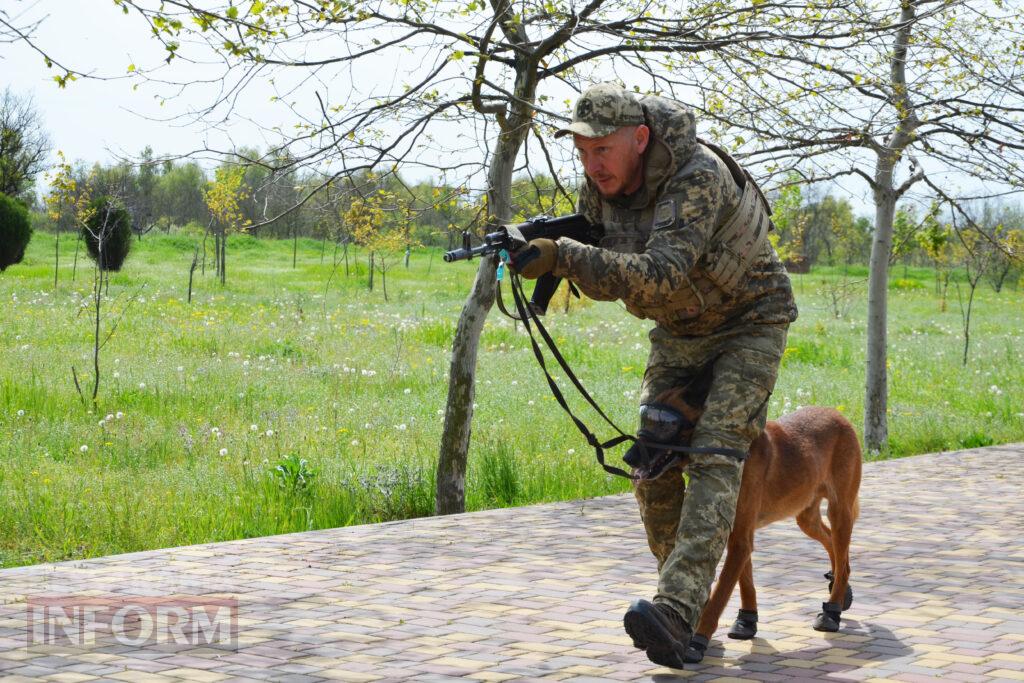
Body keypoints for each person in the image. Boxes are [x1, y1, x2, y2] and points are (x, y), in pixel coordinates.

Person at [510, 83, 798, 669]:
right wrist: (541, 254)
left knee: (717, 454)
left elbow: (662, 274)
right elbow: (610, 278)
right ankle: (679, 605)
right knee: (653, 462)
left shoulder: (697, 175)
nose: (592, 166)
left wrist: (565, 255)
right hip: (679, 332)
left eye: (603, 151)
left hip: (751, 322)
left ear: (640, 139)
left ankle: (675, 606)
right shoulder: (602, 192)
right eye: (582, 153)